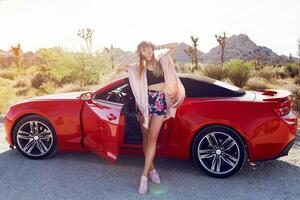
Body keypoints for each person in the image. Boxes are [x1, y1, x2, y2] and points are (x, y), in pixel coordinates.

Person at [117, 41, 185, 194]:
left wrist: (157, 48)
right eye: (143, 51)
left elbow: (175, 45)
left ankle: (144, 177)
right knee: (146, 138)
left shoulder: (163, 61)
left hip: (160, 101)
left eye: (147, 49)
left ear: (151, 48)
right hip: (145, 103)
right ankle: (152, 170)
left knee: (153, 138)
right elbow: (121, 66)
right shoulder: (138, 68)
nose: (146, 53)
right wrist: (138, 53)